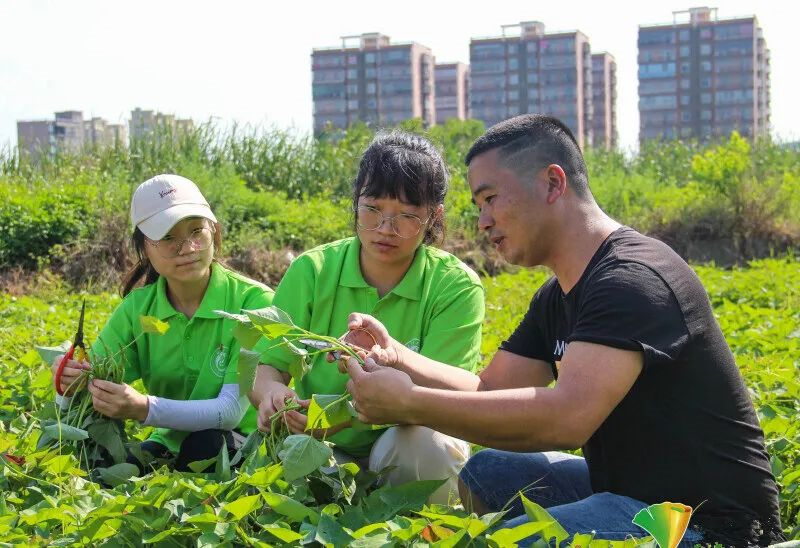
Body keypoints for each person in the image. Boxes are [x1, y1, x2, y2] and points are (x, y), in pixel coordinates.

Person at [340, 115, 784, 546]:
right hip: (629, 492)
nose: (483, 221)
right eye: (478, 206)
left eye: (491, 198)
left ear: (553, 183)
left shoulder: (632, 277)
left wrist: (411, 403)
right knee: (486, 472)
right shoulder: (558, 295)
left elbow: (567, 418)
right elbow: (488, 389)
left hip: (708, 523)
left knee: (511, 541)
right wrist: (397, 355)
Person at [248, 131, 484, 504]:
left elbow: (448, 394)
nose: (385, 229)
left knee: (428, 445)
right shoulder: (313, 270)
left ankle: (422, 534)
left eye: (406, 216)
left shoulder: (454, 286)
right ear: (355, 203)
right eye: (372, 209)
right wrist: (273, 395)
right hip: (321, 444)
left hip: (405, 438)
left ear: (433, 216)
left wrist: (347, 414)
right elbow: (267, 367)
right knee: (283, 468)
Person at [52, 173, 273, 472]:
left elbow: (231, 411)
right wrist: (73, 381)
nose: (187, 248)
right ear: (144, 248)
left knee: (206, 447)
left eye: (197, 231)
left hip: (245, 442)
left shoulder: (254, 303)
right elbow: (95, 376)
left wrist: (144, 408)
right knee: (108, 469)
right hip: (169, 443)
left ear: (214, 232)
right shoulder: (137, 309)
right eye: (168, 237)